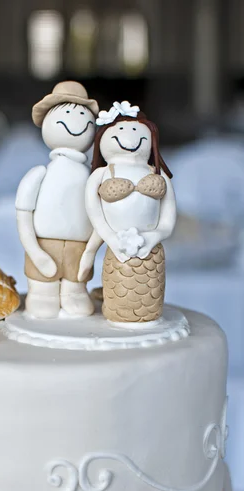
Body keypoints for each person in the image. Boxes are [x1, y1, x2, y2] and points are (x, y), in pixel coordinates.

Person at [79, 101, 177, 324]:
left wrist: (155, 236)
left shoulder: (159, 174)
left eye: (135, 129)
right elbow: (95, 214)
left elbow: (168, 219)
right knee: (119, 296)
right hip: (117, 248)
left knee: (148, 299)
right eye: (121, 130)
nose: (129, 135)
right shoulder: (101, 175)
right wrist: (110, 238)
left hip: (151, 251)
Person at [16, 81, 99, 319]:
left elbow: (98, 214)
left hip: (79, 248)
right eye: (65, 114)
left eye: (83, 116)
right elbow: (23, 213)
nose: (75, 120)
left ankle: (74, 293)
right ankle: (43, 294)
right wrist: (34, 251)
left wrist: (91, 250)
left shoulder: (92, 178)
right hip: (44, 244)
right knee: (43, 295)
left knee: (76, 289)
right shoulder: (39, 174)